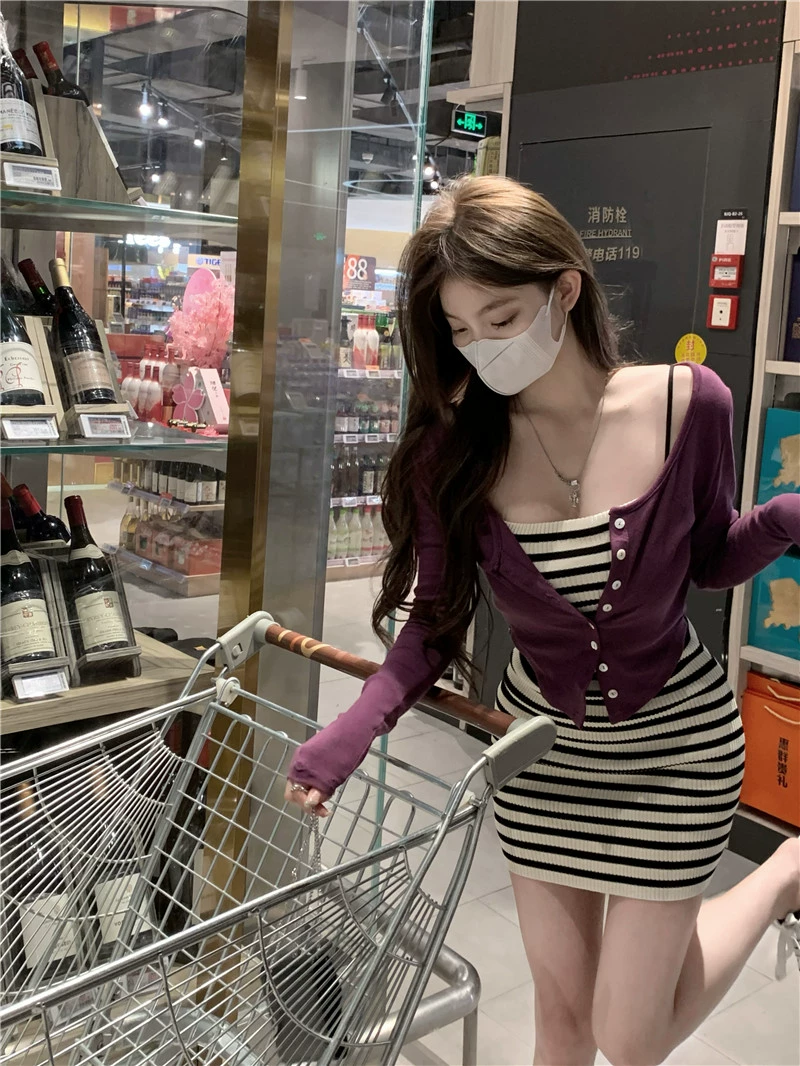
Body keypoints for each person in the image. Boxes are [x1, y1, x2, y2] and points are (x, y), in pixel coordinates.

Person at [285, 175, 800, 1066]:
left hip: (678, 752)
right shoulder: (454, 449)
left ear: (564, 289)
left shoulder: (691, 404)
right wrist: (354, 729)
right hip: (543, 758)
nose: (481, 347)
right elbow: (433, 623)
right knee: (561, 1025)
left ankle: (786, 873)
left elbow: (711, 558)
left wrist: (784, 520)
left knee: (629, 1039)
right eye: (458, 329)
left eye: (501, 317)